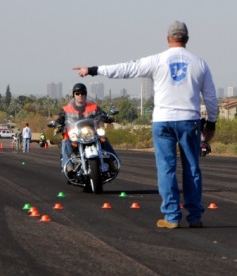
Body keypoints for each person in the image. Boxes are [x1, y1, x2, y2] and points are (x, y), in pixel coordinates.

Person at [76, 21, 218, 229]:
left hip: (163, 122)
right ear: (186, 39)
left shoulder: (157, 60)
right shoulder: (200, 63)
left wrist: (93, 70)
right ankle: (195, 217)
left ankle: (171, 217)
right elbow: (211, 97)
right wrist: (211, 124)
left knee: (166, 169)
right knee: (192, 169)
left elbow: (127, 69)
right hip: (189, 121)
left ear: (168, 39)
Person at [54, 82, 119, 177]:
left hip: (91, 134)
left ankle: (113, 161)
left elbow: (101, 114)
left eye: (82, 93)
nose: (80, 95)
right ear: (74, 95)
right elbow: (60, 119)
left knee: (103, 138)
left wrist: (107, 118)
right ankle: (69, 167)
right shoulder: (66, 109)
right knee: (65, 142)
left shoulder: (93, 107)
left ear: (85, 94)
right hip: (75, 136)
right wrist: (57, 124)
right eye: (77, 93)